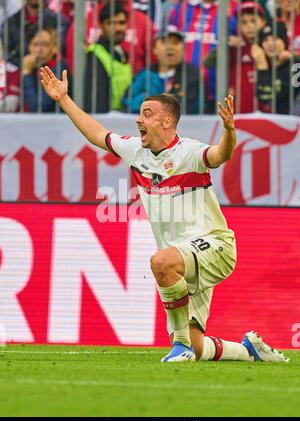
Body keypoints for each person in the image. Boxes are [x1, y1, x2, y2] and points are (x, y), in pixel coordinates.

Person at [39, 65, 289, 364]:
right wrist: (63, 99)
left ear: (167, 121)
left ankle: (180, 344)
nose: (137, 119)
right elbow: (97, 134)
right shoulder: (136, 151)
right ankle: (249, 352)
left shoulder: (189, 152)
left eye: (146, 113)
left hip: (215, 245)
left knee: (161, 262)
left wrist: (230, 132)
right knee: (200, 348)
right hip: (182, 261)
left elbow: (220, 155)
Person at [122, 30, 200, 114]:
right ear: (154, 49)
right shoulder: (144, 75)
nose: (170, 47)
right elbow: (127, 103)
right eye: (165, 42)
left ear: (184, 49)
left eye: (175, 43)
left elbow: (198, 106)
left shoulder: (192, 75)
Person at [83, 3, 132, 113]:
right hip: (107, 121)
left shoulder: (121, 52)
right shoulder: (95, 54)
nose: (118, 28)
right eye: (111, 23)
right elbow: (96, 103)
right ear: (101, 26)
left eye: (122, 23)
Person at [0, 0, 69, 67]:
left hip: (51, 73)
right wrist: (25, 64)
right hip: (20, 74)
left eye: (44, 44)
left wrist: (19, 51)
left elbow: (59, 47)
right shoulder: (8, 24)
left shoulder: (60, 21)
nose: (38, 49)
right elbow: (8, 55)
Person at [252, 21, 299, 114]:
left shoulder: (296, 65)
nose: (270, 44)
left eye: (275, 38)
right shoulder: (265, 67)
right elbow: (262, 97)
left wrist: (262, 67)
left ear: (284, 41)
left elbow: (271, 95)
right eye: (265, 40)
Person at [23, 24, 69, 112]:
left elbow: (37, 108)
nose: (39, 50)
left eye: (45, 45)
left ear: (54, 47)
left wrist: (26, 73)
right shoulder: (33, 65)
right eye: (35, 44)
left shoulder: (59, 68)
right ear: (28, 46)